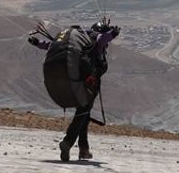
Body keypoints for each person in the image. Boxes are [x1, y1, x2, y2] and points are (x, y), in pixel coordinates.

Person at [29, 16, 120, 162]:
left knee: (83, 114)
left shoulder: (82, 43)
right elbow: (102, 39)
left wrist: (37, 43)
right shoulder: (94, 41)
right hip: (86, 84)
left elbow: (52, 45)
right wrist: (112, 34)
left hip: (76, 80)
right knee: (83, 112)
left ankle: (84, 149)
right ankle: (68, 142)